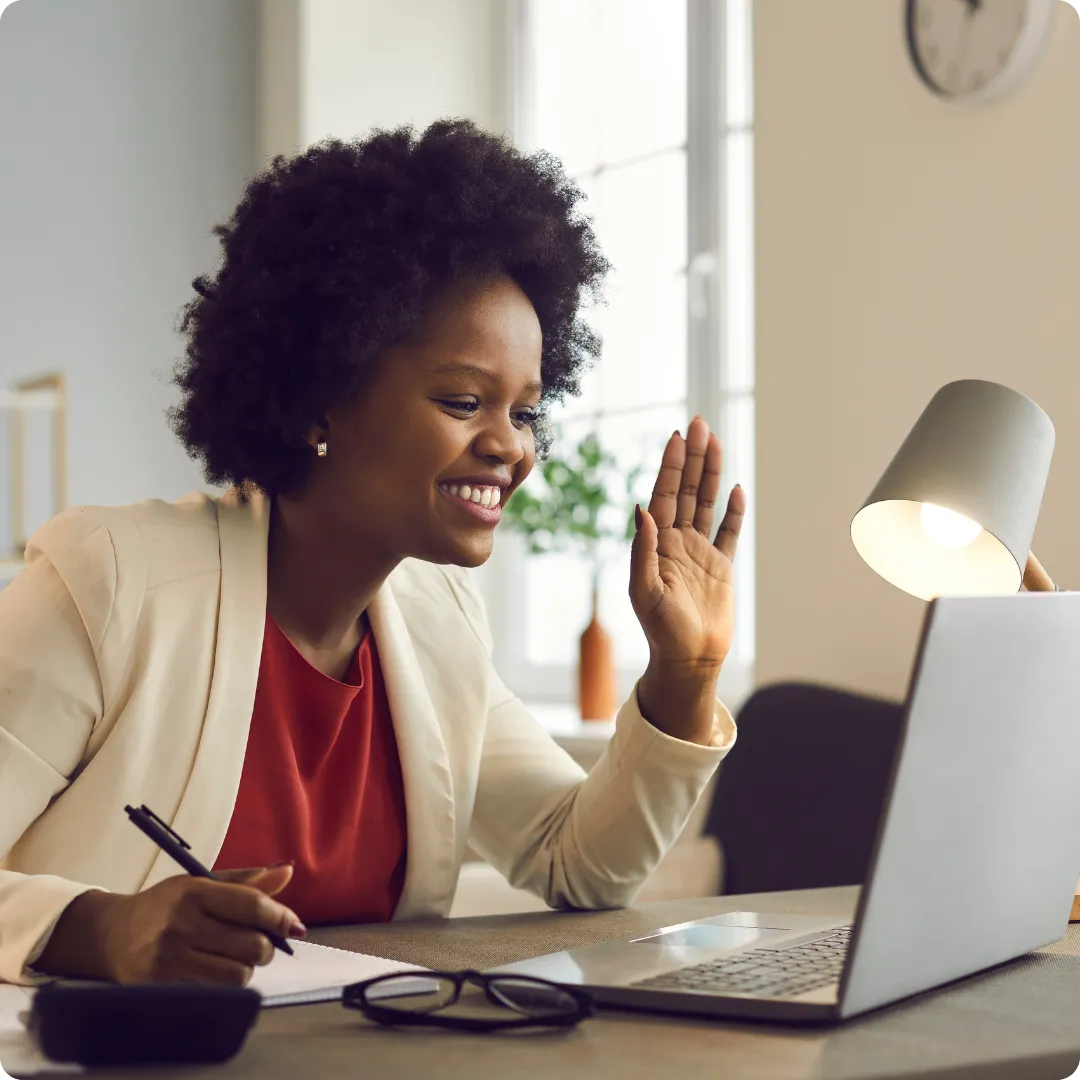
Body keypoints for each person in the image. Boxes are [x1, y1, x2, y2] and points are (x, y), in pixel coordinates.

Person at [0, 119, 745, 989]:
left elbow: (577, 861)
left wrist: (684, 674)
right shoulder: (113, 584)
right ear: (320, 401)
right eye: (464, 399)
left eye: (527, 411)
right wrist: (101, 930)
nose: (510, 446)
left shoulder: (438, 624)